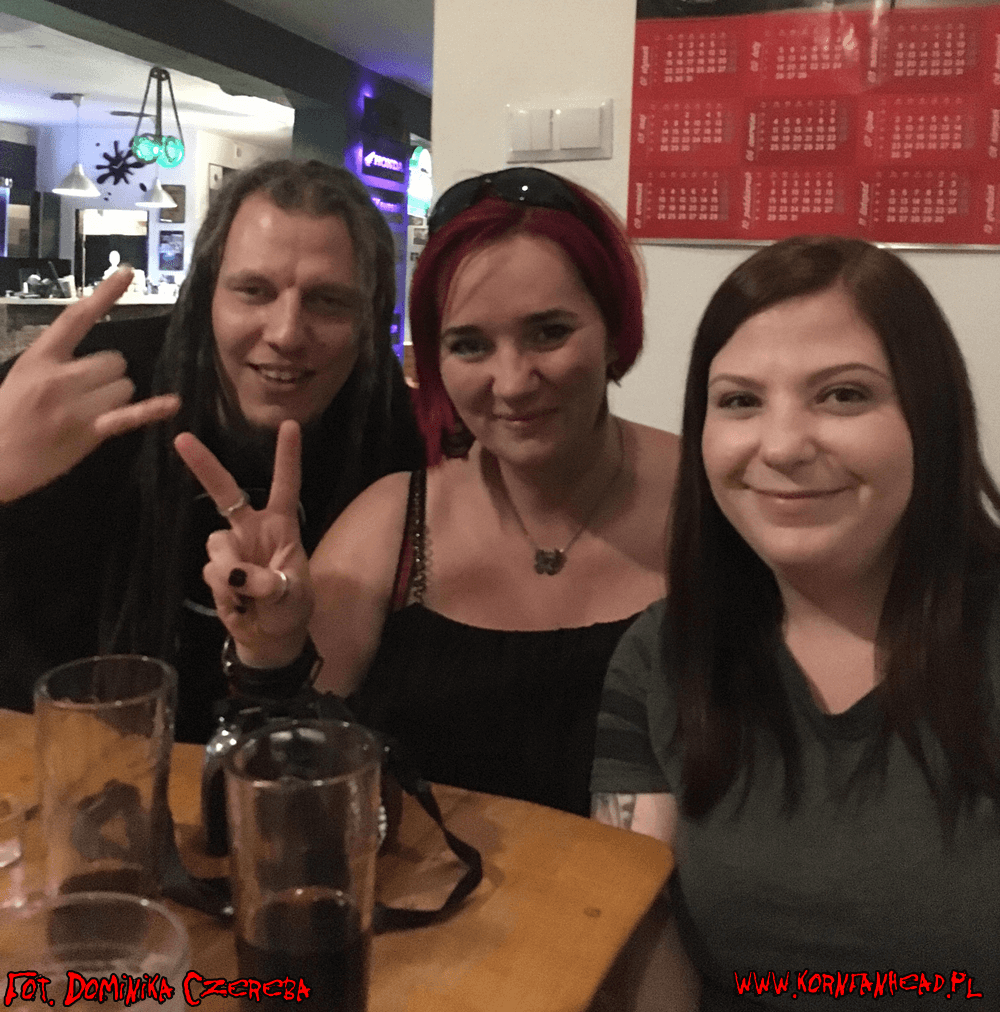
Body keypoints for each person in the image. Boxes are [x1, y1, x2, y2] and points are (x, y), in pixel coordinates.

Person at [178, 168, 680, 815]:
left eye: (550, 332)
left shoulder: (713, 503)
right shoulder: (391, 522)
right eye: (470, 345)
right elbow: (279, 797)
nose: (512, 381)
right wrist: (268, 655)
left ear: (614, 327)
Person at [590, 236, 1000, 1008]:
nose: (780, 446)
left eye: (843, 394)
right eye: (740, 400)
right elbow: (633, 926)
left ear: (932, 415)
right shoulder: (663, 655)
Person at [0, 158, 423, 742]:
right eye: (254, 291)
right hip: (47, 755)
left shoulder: (388, 427)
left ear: (370, 319)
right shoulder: (85, 389)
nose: (286, 333)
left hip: (273, 767)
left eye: (328, 301)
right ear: (205, 295)